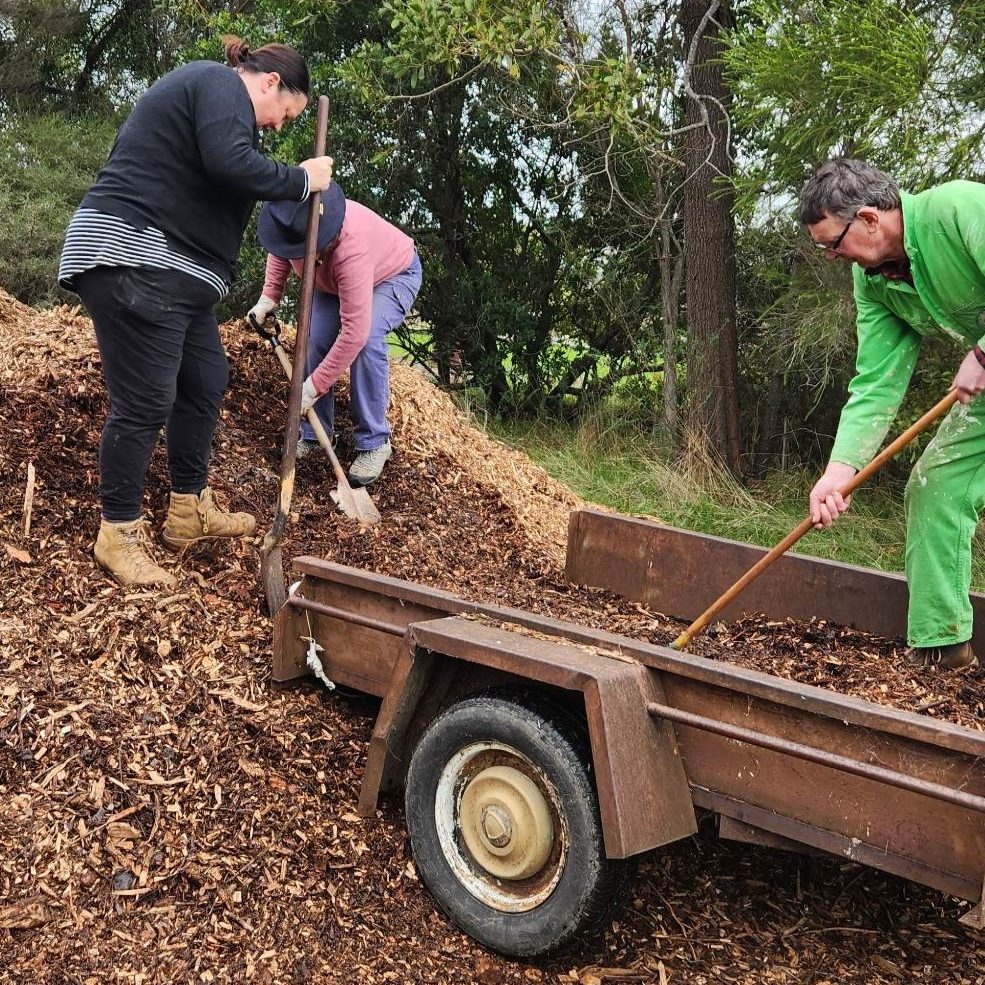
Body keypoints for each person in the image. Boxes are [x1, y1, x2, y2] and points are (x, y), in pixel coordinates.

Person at [58, 35, 334, 589]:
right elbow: (231, 164)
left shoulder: (225, 110)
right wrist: (304, 179)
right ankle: (118, 532)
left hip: (174, 274)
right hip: (135, 255)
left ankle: (187, 510)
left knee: (206, 379)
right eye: (286, 113)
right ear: (270, 83)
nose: (279, 126)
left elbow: (224, 168)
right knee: (146, 401)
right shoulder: (218, 84)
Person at [800, 157, 985, 670]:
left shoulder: (959, 208)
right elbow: (877, 382)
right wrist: (839, 472)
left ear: (868, 218)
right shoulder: (875, 280)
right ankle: (942, 648)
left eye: (832, 245)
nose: (833, 257)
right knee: (936, 486)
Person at [247, 183, 421, 487]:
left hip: (392, 274)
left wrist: (312, 387)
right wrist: (269, 297)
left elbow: (354, 333)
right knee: (313, 339)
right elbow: (281, 249)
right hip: (329, 281)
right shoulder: (296, 225)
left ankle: (374, 441)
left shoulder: (351, 248)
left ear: (322, 241)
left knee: (367, 342)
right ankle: (317, 434)